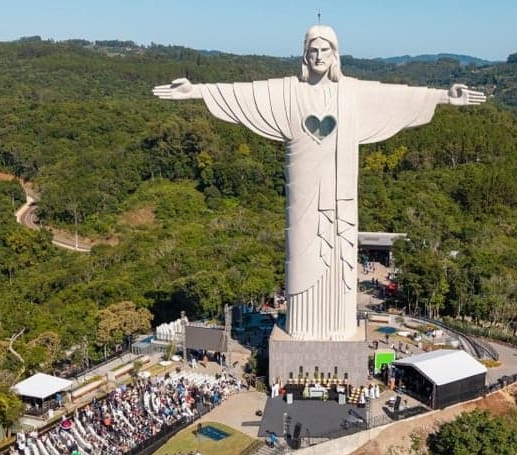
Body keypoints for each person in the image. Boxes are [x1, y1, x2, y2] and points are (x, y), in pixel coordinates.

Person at [154, 25, 484, 342]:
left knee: (341, 258)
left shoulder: (352, 91)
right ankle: (302, 325)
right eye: (312, 50)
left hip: (342, 197)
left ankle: (339, 326)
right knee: (300, 257)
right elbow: (244, 92)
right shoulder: (286, 90)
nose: (318, 55)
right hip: (303, 196)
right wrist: (195, 91)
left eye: (325, 49)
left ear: (335, 54)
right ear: (304, 54)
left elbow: (394, 98)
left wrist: (444, 96)